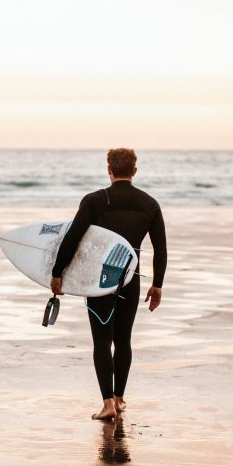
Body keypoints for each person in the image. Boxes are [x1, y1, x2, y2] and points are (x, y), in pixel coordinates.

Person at [49, 148, 167, 421]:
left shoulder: (94, 200)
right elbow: (160, 249)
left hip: (99, 281)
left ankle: (107, 404)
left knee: (102, 341)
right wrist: (157, 284)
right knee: (123, 340)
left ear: (108, 169)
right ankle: (120, 399)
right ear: (134, 171)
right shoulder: (150, 204)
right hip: (130, 279)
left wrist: (57, 273)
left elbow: (72, 238)